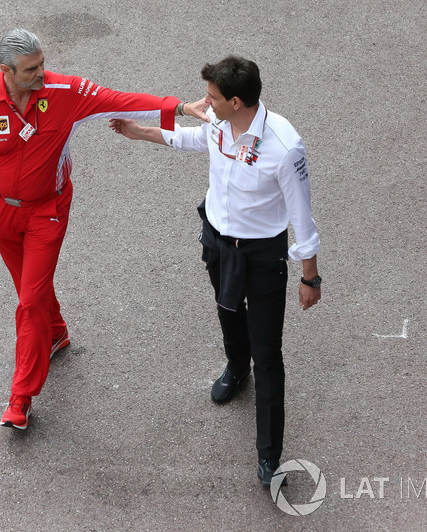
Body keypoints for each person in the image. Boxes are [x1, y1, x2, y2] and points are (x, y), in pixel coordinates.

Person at [0, 28, 207, 430]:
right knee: (28, 290)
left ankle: (21, 397)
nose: (42, 73)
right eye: (31, 69)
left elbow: (120, 100)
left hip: (46, 212)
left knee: (29, 301)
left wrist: (180, 108)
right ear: (6, 70)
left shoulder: (65, 92)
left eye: (43, 64)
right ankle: (55, 333)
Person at [109, 56, 321, 487]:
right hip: (219, 241)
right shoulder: (219, 122)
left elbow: (303, 217)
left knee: (269, 354)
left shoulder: (284, 146)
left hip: (262, 256)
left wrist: (309, 277)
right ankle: (235, 366)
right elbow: (194, 140)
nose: (204, 102)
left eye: (212, 97)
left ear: (237, 101)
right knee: (227, 312)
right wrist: (141, 132)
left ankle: (268, 455)